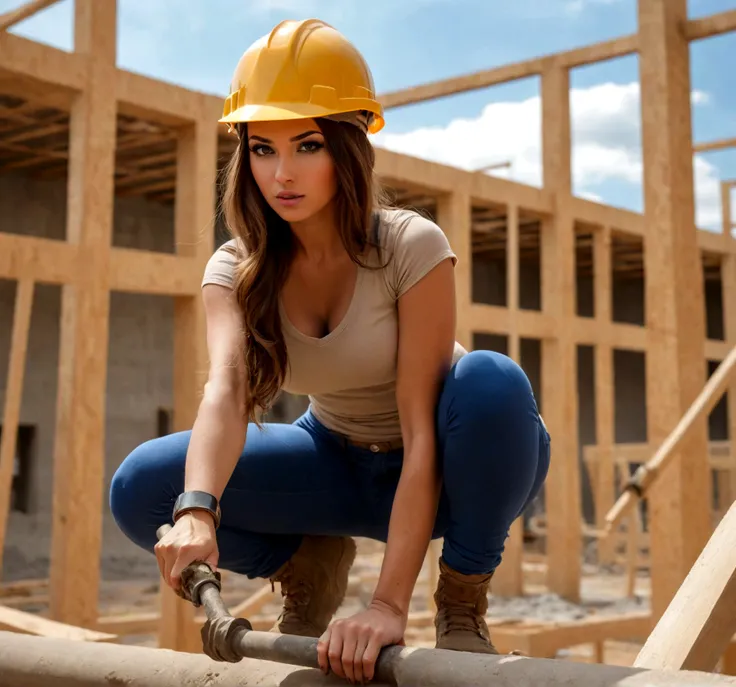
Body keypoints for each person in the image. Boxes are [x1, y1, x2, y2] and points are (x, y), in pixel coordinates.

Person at [109, 17, 550, 685]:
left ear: (347, 146)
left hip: (454, 465)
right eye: (263, 149)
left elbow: (421, 428)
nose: (282, 173)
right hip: (333, 462)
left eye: (307, 145)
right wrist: (197, 508)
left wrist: (386, 606)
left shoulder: (411, 245)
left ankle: (463, 595)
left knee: (492, 381)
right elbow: (225, 392)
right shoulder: (235, 269)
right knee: (144, 487)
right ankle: (307, 566)